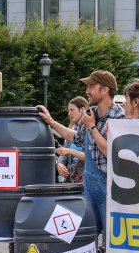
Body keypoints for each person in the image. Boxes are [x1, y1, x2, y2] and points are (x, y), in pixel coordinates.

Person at [37, 70, 124, 236]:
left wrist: (92, 127)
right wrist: (51, 122)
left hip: (109, 189)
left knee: (112, 239)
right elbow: (76, 138)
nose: (87, 91)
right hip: (86, 187)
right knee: (64, 233)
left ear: (105, 90)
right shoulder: (89, 114)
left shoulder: (120, 118)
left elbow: (112, 153)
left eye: (92, 86)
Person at [56, 97, 88, 184]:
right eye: (68, 111)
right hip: (71, 178)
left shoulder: (90, 130)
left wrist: (70, 151)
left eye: (72, 110)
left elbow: (88, 157)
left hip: (85, 179)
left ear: (82, 110)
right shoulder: (72, 130)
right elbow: (63, 154)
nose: (69, 113)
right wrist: (59, 164)